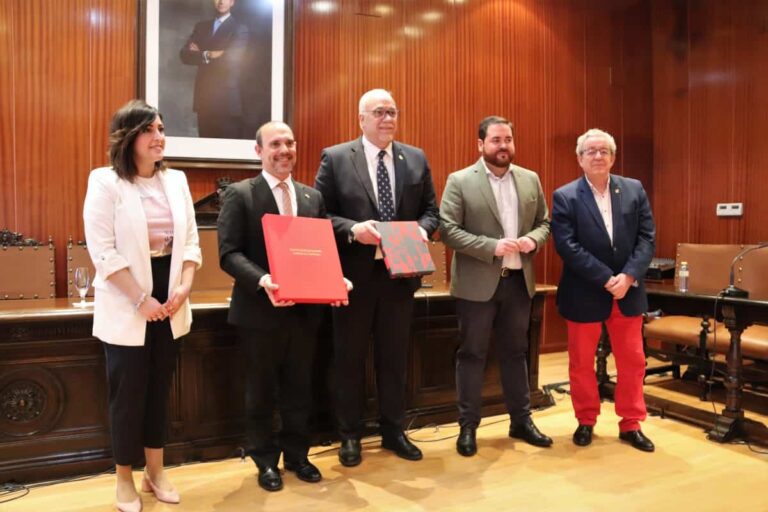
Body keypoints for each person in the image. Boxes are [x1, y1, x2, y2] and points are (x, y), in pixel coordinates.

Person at [217, 121, 351, 492]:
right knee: (261, 390)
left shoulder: (311, 197)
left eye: (290, 143)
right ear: (259, 151)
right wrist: (264, 281)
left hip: (305, 314)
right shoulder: (241, 195)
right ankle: (264, 461)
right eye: (275, 144)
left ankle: (297, 456)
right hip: (260, 312)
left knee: (299, 389)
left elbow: (322, 251)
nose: (285, 150)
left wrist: (338, 280)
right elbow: (228, 254)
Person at [83, 100, 201, 512]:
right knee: (127, 395)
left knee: (158, 392)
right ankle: (123, 479)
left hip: (169, 301)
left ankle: (156, 470)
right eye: (150, 130)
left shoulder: (177, 181)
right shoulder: (106, 182)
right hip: (127, 303)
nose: (160, 137)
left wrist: (184, 285)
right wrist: (140, 299)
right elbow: (103, 251)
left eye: (162, 129)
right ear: (130, 138)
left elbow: (190, 241)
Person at [314, 88, 440, 466]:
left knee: (394, 358)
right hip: (354, 278)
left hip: (400, 276)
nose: (388, 119)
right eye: (379, 112)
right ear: (362, 119)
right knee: (349, 360)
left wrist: (421, 229)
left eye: (393, 112)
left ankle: (393, 431)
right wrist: (354, 229)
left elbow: (432, 211)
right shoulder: (336, 158)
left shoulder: (415, 158)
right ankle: (349, 436)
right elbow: (320, 215)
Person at [439, 116, 553, 456]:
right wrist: (491, 247)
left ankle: (521, 420)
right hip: (477, 285)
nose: (503, 146)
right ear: (481, 145)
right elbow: (447, 229)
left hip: (519, 283)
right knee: (472, 354)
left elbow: (544, 222)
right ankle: (468, 427)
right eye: (495, 140)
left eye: (508, 140)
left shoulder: (530, 179)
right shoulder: (459, 181)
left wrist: (533, 240)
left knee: (516, 354)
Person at [551, 128, 656, 452]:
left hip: (628, 292)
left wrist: (628, 276)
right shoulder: (565, 196)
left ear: (612, 157)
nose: (598, 156)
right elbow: (566, 245)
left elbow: (647, 238)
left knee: (633, 362)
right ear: (580, 159)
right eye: (590, 151)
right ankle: (586, 420)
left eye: (603, 151)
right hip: (584, 292)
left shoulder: (634, 189)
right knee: (581, 363)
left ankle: (631, 423)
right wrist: (606, 278)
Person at [179, 0, 249, 139]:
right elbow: (184, 55)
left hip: (226, 102)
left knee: (226, 152)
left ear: (232, 2)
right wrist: (209, 54)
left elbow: (230, 60)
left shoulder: (239, 29)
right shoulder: (201, 27)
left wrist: (200, 53)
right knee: (204, 149)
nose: (221, 2)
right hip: (203, 99)